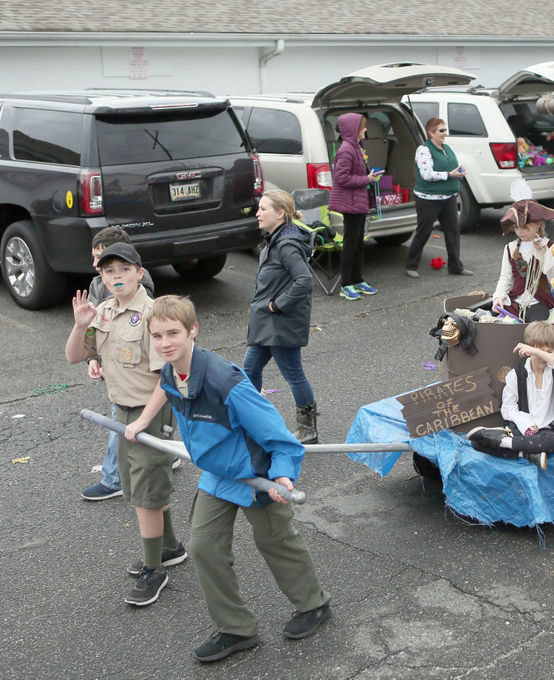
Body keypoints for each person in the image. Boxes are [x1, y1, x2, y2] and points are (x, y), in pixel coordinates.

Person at [127, 296, 331, 663]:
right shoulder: (172, 372)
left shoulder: (227, 381)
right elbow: (167, 392)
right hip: (218, 473)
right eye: (157, 336)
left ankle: (314, 605)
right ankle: (237, 628)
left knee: (276, 542)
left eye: (173, 333)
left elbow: (281, 438)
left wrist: (282, 475)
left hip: (257, 474)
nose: (165, 343)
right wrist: (142, 421)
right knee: (205, 547)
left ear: (193, 331)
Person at [64, 242, 184, 607]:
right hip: (124, 411)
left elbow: (168, 379)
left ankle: (154, 569)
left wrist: (145, 421)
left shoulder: (153, 314)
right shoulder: (102, 311)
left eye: (123, 270)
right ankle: (170, 548)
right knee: (139, 485)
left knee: (146, 492)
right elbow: (75, 356)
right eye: (108, 271)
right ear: (100, 276)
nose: (116, 277)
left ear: (140, 273)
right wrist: (80, 325)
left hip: (152, 409)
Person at [81, 227, 159, 501]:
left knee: (124, 425)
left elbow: (137, 336)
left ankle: (113, 478)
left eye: (101, 258)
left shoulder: (141, 293)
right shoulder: (97, 283)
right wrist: (92, 358)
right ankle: (162, 451)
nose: (97, 266)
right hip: (115, 374)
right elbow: (92, 329)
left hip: (136, 380)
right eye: (100, 264)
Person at [244, 189, 319, 444]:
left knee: (293, 374)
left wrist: (277, 305)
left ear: (280, 213)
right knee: (249, 368)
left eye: (263, 209)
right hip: (266, 323)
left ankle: (308, 429)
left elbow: (304, 281)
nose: (258, 213)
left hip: (279, 324)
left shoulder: (286, 245)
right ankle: (252, 421)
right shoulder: (275, 239)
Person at [466, 321, 554, 471]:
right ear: (528, 350)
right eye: (538, 352)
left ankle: (503, 442)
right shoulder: (516, 375)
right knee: (476, 443)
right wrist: (525, 422)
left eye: (549, 352)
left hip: (546, 430)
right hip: (522, 429)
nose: (543, 357)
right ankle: (529, 454)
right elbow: (508, 408)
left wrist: (538, 352)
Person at [405, 117, 472, 278]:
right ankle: (411, 265)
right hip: (428, 199)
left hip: (448, 197)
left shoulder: (446, 148)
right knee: (424, 231)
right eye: (441, 130)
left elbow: (452, 167)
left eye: (445, 130)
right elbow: (426, 174)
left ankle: (456, 266)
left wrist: (459, 172)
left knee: (452, 232)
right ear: (431, 132)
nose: (444, 133)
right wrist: (450, 174)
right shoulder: (423, 150)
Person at [328, 112, 380, 301]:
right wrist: (367, 179)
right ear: (353, 130)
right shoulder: (346, 150)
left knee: (359, 243)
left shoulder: (357, 147)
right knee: (350, 244)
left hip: (359, 201)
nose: (365, 129)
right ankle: (346, 284)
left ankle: (358, 280)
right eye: (362, 127)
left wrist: (370, 175)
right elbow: (341, 178)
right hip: (351, 204)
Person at [492, 199, 554, 321]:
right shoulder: (510, 247)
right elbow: (505, 278)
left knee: (537, 332)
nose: (520, 231)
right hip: (514, 303)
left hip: (540, 303)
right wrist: (498, 297)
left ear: (538, 224)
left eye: (525, 227)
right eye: (516, 227)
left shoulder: (549, 246)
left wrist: (545, 252)